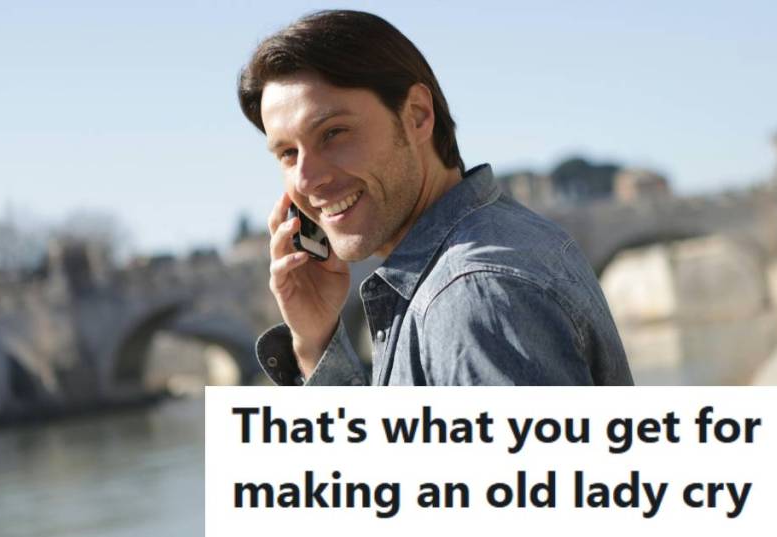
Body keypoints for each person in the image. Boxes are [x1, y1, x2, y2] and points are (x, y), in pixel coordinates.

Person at [238, 10, 633, 386]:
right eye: (288, 153)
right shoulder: (498, 246)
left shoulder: (470, 295)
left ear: (417, 115)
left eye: (333, 133)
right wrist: (316, 342)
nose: (307, 179)